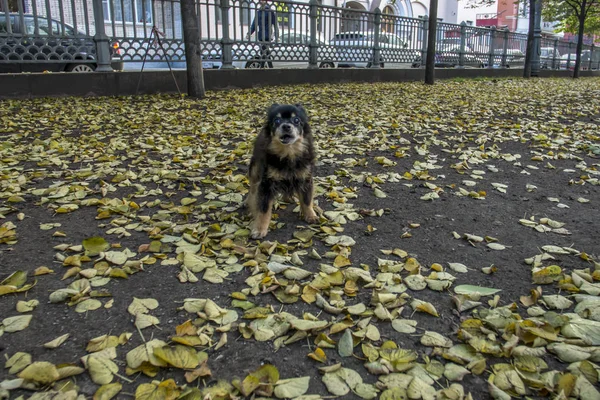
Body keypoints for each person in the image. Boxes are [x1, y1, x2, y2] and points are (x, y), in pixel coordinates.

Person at [246, 0, 279, 68]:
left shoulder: (270, 11)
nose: (262, 1)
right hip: (261, 36)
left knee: (264, 52)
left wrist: (277, 36)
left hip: (267, 35)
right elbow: (254, 24)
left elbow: (275, 25)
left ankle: (262, 68)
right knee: (265, 53)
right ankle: (270, 68)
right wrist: (249, 33)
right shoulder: (259, 12)